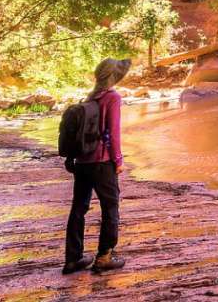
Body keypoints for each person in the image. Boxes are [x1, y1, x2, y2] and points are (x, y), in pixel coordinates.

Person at [63, 57, 130, 275]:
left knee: (78, 208)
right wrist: (118, 160)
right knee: (110, 208)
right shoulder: (113, 98)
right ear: (115, 77)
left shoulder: (90, 97)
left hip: (82, 162)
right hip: (102, 163)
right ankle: (104, 256)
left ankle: (73, 258)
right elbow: (113, 132)